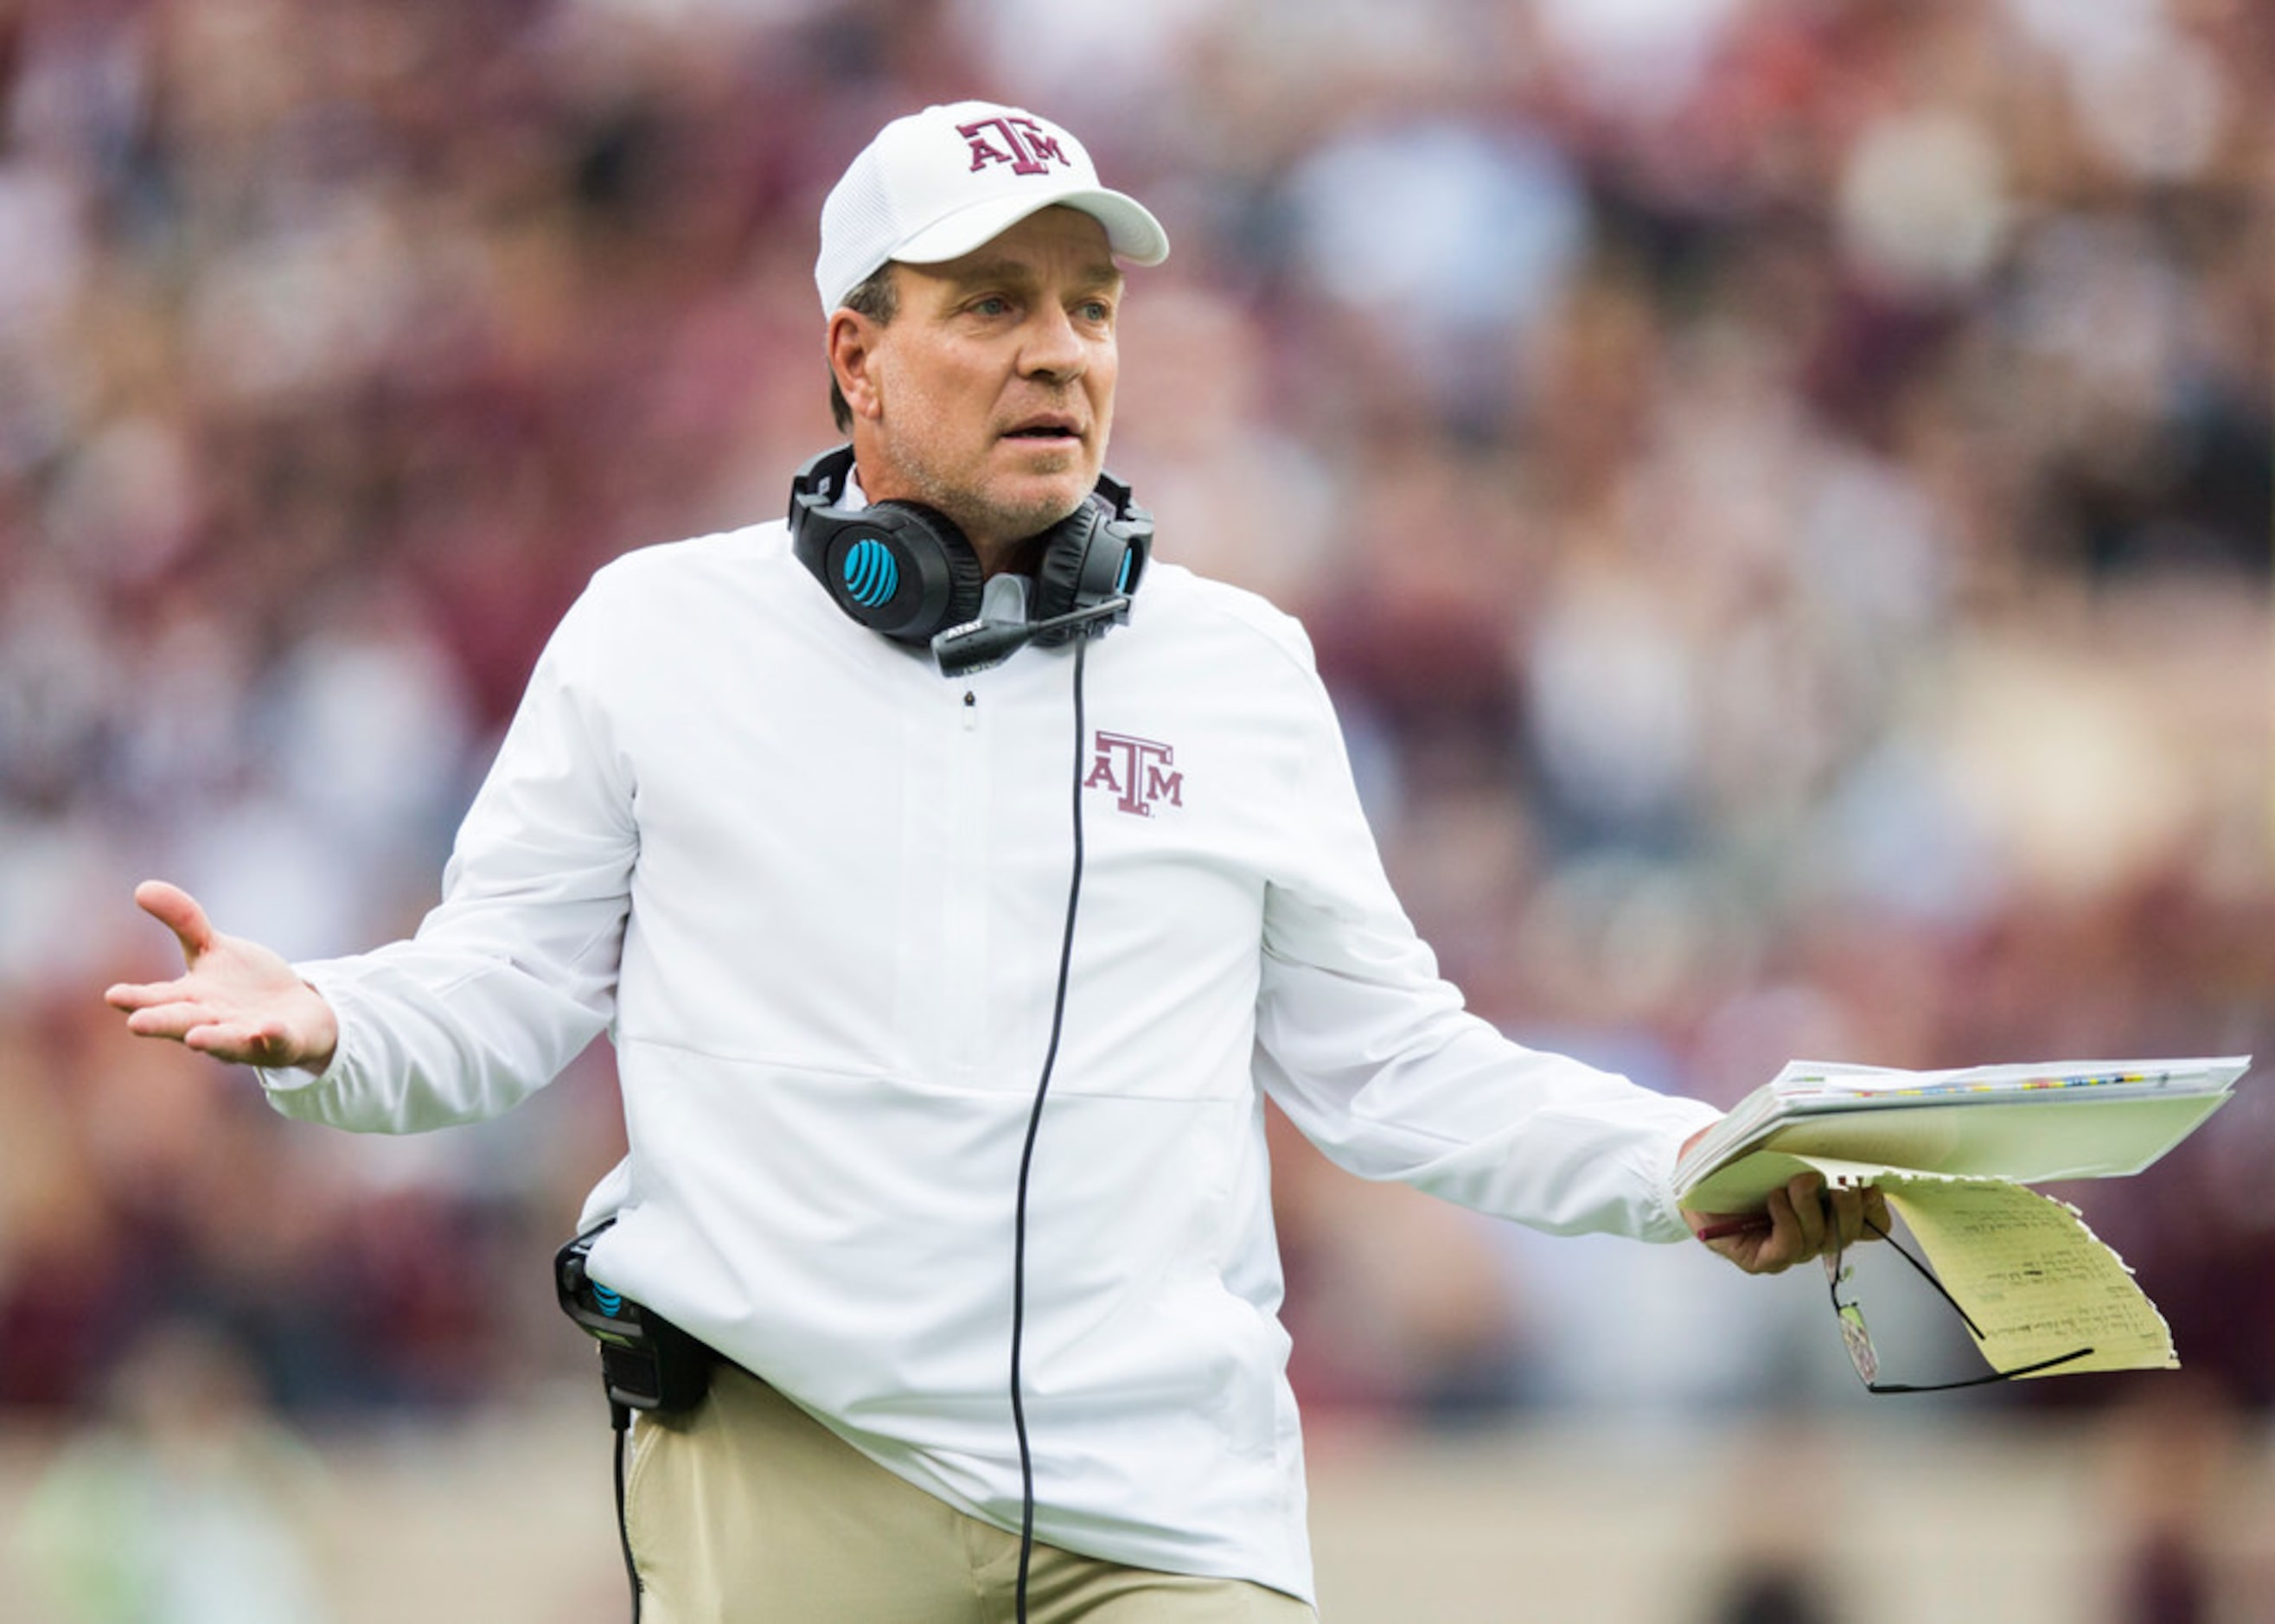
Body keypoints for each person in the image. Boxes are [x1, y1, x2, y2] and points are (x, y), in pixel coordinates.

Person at [105, 100, 1879, 1623]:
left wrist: (1689, 1161)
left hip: (1166, 1502)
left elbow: (1392, 1070)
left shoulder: (1238, 667)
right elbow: (495, 995)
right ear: (854, 356)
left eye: (1090, 306)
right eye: (992, 304)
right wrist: (330, 1025)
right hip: (793, 1469)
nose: (1062, 349)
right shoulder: (654, 635)